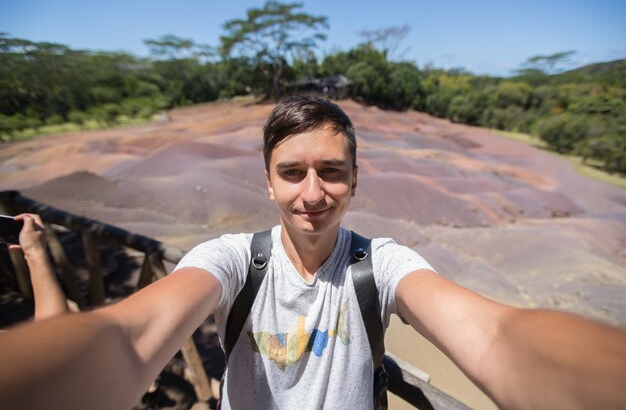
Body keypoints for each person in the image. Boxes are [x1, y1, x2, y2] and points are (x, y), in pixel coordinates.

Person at [1, 96, 625, 410]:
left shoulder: (380, 263)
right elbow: (127, 339)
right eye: (292, 172)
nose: (313, 193)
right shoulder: (233, 259)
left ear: (356, 179)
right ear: (267, 181)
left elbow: (496, 338)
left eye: (331, 171)